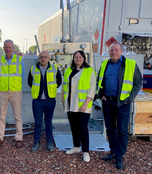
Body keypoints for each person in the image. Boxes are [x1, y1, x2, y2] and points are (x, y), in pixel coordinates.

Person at [97, 42, 142, 170]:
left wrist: (129, 98)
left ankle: (120, 156)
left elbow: (138, 83)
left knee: (122, 130)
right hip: (108, 102)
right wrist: (101, 95)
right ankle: (112, 151)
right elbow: (99, 80)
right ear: (109, 51)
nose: (114, 52)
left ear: (122, 51)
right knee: (110, 128)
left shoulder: (130, 64)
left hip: (123, 102)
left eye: (116, 50)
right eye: (112, 50)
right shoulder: (105, 64)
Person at [61, 50, 96, 162]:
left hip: (83, 105)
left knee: (83, 128)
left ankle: (85, 151)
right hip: (71, 104)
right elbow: (64, 87)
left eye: (80, 57)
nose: (78, 59)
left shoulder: (89, 71)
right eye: (76, 57)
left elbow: (92, 89)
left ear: (84, 58)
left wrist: (86, 104)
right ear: (73, 58)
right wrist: (63, 102)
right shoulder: (68, 71)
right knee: (74, 127)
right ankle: (76, 147)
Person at [28, 51, 62, 152]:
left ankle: (49, 142)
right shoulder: (33, 69)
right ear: (38, 58)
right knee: (38, 122)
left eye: (45, 57)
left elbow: (59, 82)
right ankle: (36, 142)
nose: (43, 59)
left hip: (50, 100)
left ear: (49, 58)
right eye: (41, 57)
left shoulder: (54, 69)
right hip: (37, 101)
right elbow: (30, 82)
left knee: (48, 122)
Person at [0, 39, 25, 148]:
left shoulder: (19, 60)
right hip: (3, 91)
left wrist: (17, 87)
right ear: (3, 48)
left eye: (9, 47)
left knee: (17, 116)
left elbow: (23, 76)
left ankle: (19, 138)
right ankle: (0, 137)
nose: (7, 49)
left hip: (15, 91)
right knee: (1, 116)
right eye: (6, 47)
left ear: (13, 48)